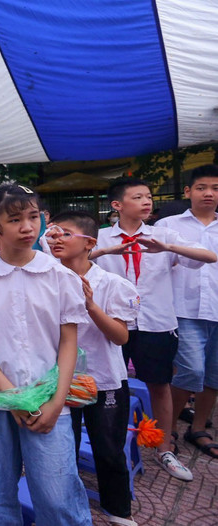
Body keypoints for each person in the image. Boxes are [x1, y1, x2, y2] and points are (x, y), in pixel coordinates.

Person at [0, 184, 91, 526]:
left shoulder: (61, 277)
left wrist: (57, 402)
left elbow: (68, 342)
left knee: (57, 494)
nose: (27, 228)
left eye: (33, 217)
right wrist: (11, 395)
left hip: (48, 398)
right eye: (15, 219)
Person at [92, 177, 216, 480]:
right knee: (109, 386)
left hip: (156, 322)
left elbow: (210, 256)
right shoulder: (101, 236)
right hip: (113, 324)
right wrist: (108, 253)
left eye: (148, 197)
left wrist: (167, 247)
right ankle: (112, 446)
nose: (147, 202)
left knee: (159, 384)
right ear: (117, 205)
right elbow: (70, 260)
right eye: (138, 197)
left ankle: (163, 448)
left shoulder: (164, 234)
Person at [48, 211, 140, 526]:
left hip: (104, 380)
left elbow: (120, 337)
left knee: (109, 449)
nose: (56, 238)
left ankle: (118, 509)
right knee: (62, 449)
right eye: (53, 233)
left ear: (89, 242)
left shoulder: (112, 284)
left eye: (65, 233)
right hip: (60, 381)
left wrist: (91, 306)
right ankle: (67, 508)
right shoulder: (46, 279)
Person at [156, 165, 218, 459]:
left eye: (216, 188)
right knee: (191, 370)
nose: (209, 193)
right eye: (202, 187)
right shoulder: (168, 225)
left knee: (214, 375)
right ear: (188, 191)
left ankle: (198, 428)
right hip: (184, 309)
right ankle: (166, 430)